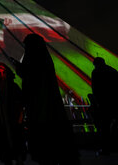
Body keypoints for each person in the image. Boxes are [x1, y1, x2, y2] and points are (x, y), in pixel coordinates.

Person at [13, 33, 78, 164]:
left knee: (42, 134)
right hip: (49, 101)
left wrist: (17, 67)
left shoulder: (31, 57)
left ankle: (45, 155)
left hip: (37, 103)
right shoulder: (45, 58)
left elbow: (29, 76)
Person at [0, 62, 25, 165]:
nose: (1, 74)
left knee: (16, 140)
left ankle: (19, 159)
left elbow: (21, 101)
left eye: (3, 71)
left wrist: (20, 116)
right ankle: (7, 160)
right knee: (3, 141)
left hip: (13, 119)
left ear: (7, 72)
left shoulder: (13, 86)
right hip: (1, 120)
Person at [90, 57, 118, 155]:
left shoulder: (96, 72)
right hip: (114, 102)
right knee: (115, 125)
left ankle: (106, 148)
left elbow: (95, 89)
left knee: (104, 126)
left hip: (103, 103)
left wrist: (96, 102)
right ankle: (115, 146)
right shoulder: (113, 71)